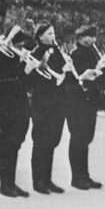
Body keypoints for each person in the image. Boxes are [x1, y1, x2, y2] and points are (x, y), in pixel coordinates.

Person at [29, 22, 72, 194]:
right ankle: (38, 181)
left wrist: (67, 68)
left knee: (53, 140)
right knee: (41, 141)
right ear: (39, 36)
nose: (52, 36)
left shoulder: (56, 51)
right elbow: (35, 79)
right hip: (42, 102)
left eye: (53, 33)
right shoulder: (36, 53)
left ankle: (47, 179)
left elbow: (63, 75)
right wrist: (60, 71)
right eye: (48, 34)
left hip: (57, 102)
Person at [0, 29, 33, 197]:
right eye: (18, 45)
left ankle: (11, 183)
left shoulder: (19, 59)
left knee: (14, 146)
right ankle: (5, 185)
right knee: (6, 146)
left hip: (20, 107)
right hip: (5, 108)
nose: (21, 49)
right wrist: (24, 71)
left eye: (23, 46)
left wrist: (27, 69)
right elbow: (3, 83)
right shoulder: (1, 58)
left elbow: (26, 85)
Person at [68, 25, 105, 190]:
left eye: (93, 37)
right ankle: (76, 177)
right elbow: (80, 77)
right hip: (77, 101)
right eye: (88, 37)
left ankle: (85, 175)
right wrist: (97, 67)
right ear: (79, 38)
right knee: (78, 138)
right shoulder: (75, 54)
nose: (92, 40)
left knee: (86, 138)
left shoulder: (92, 52)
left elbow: (99, 78)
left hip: (91, 100)